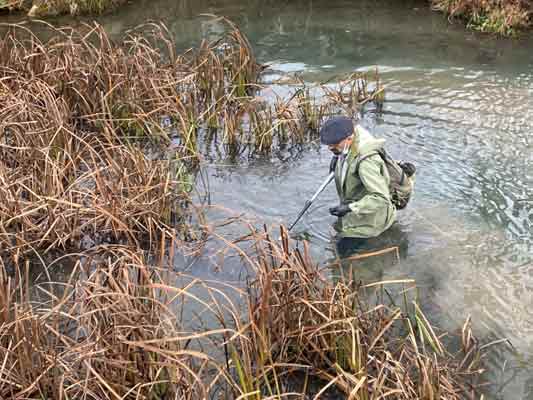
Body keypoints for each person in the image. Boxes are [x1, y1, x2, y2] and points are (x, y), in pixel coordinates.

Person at [319, 115, 400, 261]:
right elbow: (346, 152)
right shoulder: (350, 142)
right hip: (360, 213)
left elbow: (381, 198)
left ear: (349, 138)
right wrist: (337, 157)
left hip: (369, 222)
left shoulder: (366, 162)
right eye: (329, 144)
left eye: (334, 144)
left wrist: (350, 208)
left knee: (341, 255)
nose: (330, 147)